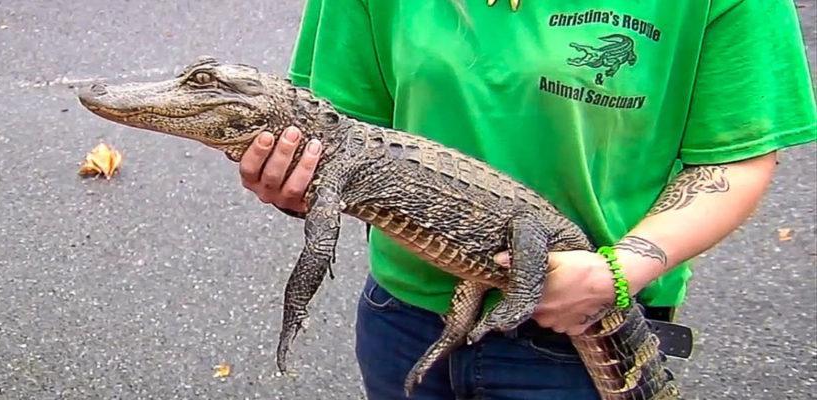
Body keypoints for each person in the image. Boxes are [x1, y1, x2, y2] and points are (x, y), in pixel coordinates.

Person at [237, 0, 817, 398]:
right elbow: (343, 129)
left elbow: (734, 156)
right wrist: (296, 187)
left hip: (579, 323)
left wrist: (615, 272)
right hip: (405, 319)